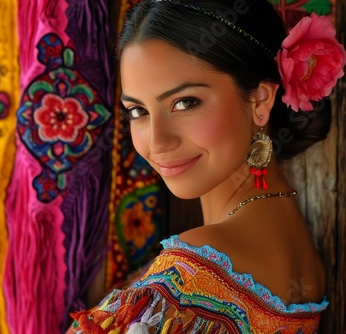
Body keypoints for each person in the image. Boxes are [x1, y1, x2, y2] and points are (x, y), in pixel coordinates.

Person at [67, 0, 346, 333]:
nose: (157, 141)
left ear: (259, 100)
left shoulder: (190, 280)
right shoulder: (298, 250)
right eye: (137, 111)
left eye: (185, 103)